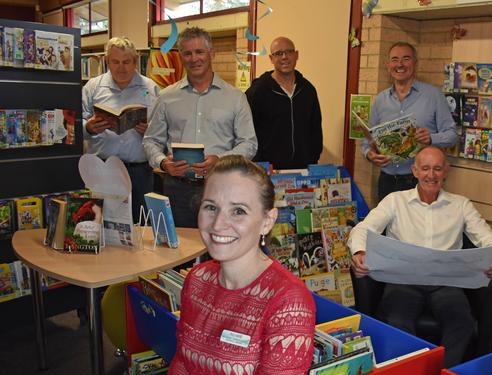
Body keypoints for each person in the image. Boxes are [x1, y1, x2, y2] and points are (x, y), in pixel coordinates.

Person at [155, 156, 340, 375]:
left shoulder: (288, 299)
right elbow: (184, 369)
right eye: (211, 207)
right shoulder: (197, 280)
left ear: (267, 220)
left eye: (238, 211)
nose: (218, 224)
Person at [348, 146, 492, 367]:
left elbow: (490, 238)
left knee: (462, 325)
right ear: (414, 171)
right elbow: (362, 230)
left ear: (446, 171)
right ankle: (413, 373)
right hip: (403, 281)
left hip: (447, 284)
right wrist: (359, 252)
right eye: (425, 168)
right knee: (397, 321)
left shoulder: (461, 205)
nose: (431, 175)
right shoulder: (395, 201)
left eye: (437, 169)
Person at [143, 27, 257, 228]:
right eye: (187, 53)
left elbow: (249, 143)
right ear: (181, 57)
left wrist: (220, 161)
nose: (194, 58)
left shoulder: (235, 98)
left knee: (220, 250)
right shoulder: (166, 97)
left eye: (199, 52)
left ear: (211, 54)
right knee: (181, 251)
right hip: (177, 190)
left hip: (222, 186)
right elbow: (151, 140)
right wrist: (162, 163)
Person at [362, 42, 457, 201]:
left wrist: (431, 138)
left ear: (415, 64)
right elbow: (367, 141)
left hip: (421, 181)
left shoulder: (433, 96)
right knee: (387, 226)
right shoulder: (380, 100)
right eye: (394, 59)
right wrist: (370, 154)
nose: (399, 64)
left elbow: (452, 135)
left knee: (420, 226)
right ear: (388, 65)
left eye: (406, 59)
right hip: (387, 180)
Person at [82, 36, 160, 222]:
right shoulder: (93, 87)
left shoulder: (150, 87)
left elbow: (163, 127)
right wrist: (89, 128)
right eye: (115, 62)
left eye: (126, 62)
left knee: (141, 226)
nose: (121, 67)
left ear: (135, 61)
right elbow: (74, 124)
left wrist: (151, 130)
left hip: (139, 171)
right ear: (107, 61)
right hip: (102, 169)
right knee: (101, 224)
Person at [245, 36, 323, 169]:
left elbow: (315, 129)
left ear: (296, 55)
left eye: (289, 52)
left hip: (302, 170)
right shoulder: (258, 91)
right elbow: (246, 131)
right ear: (271, 58)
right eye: (278, 53)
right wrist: (258, 162)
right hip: (267, 171)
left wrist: (312, 159)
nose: (284, 57)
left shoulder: (308, 90)